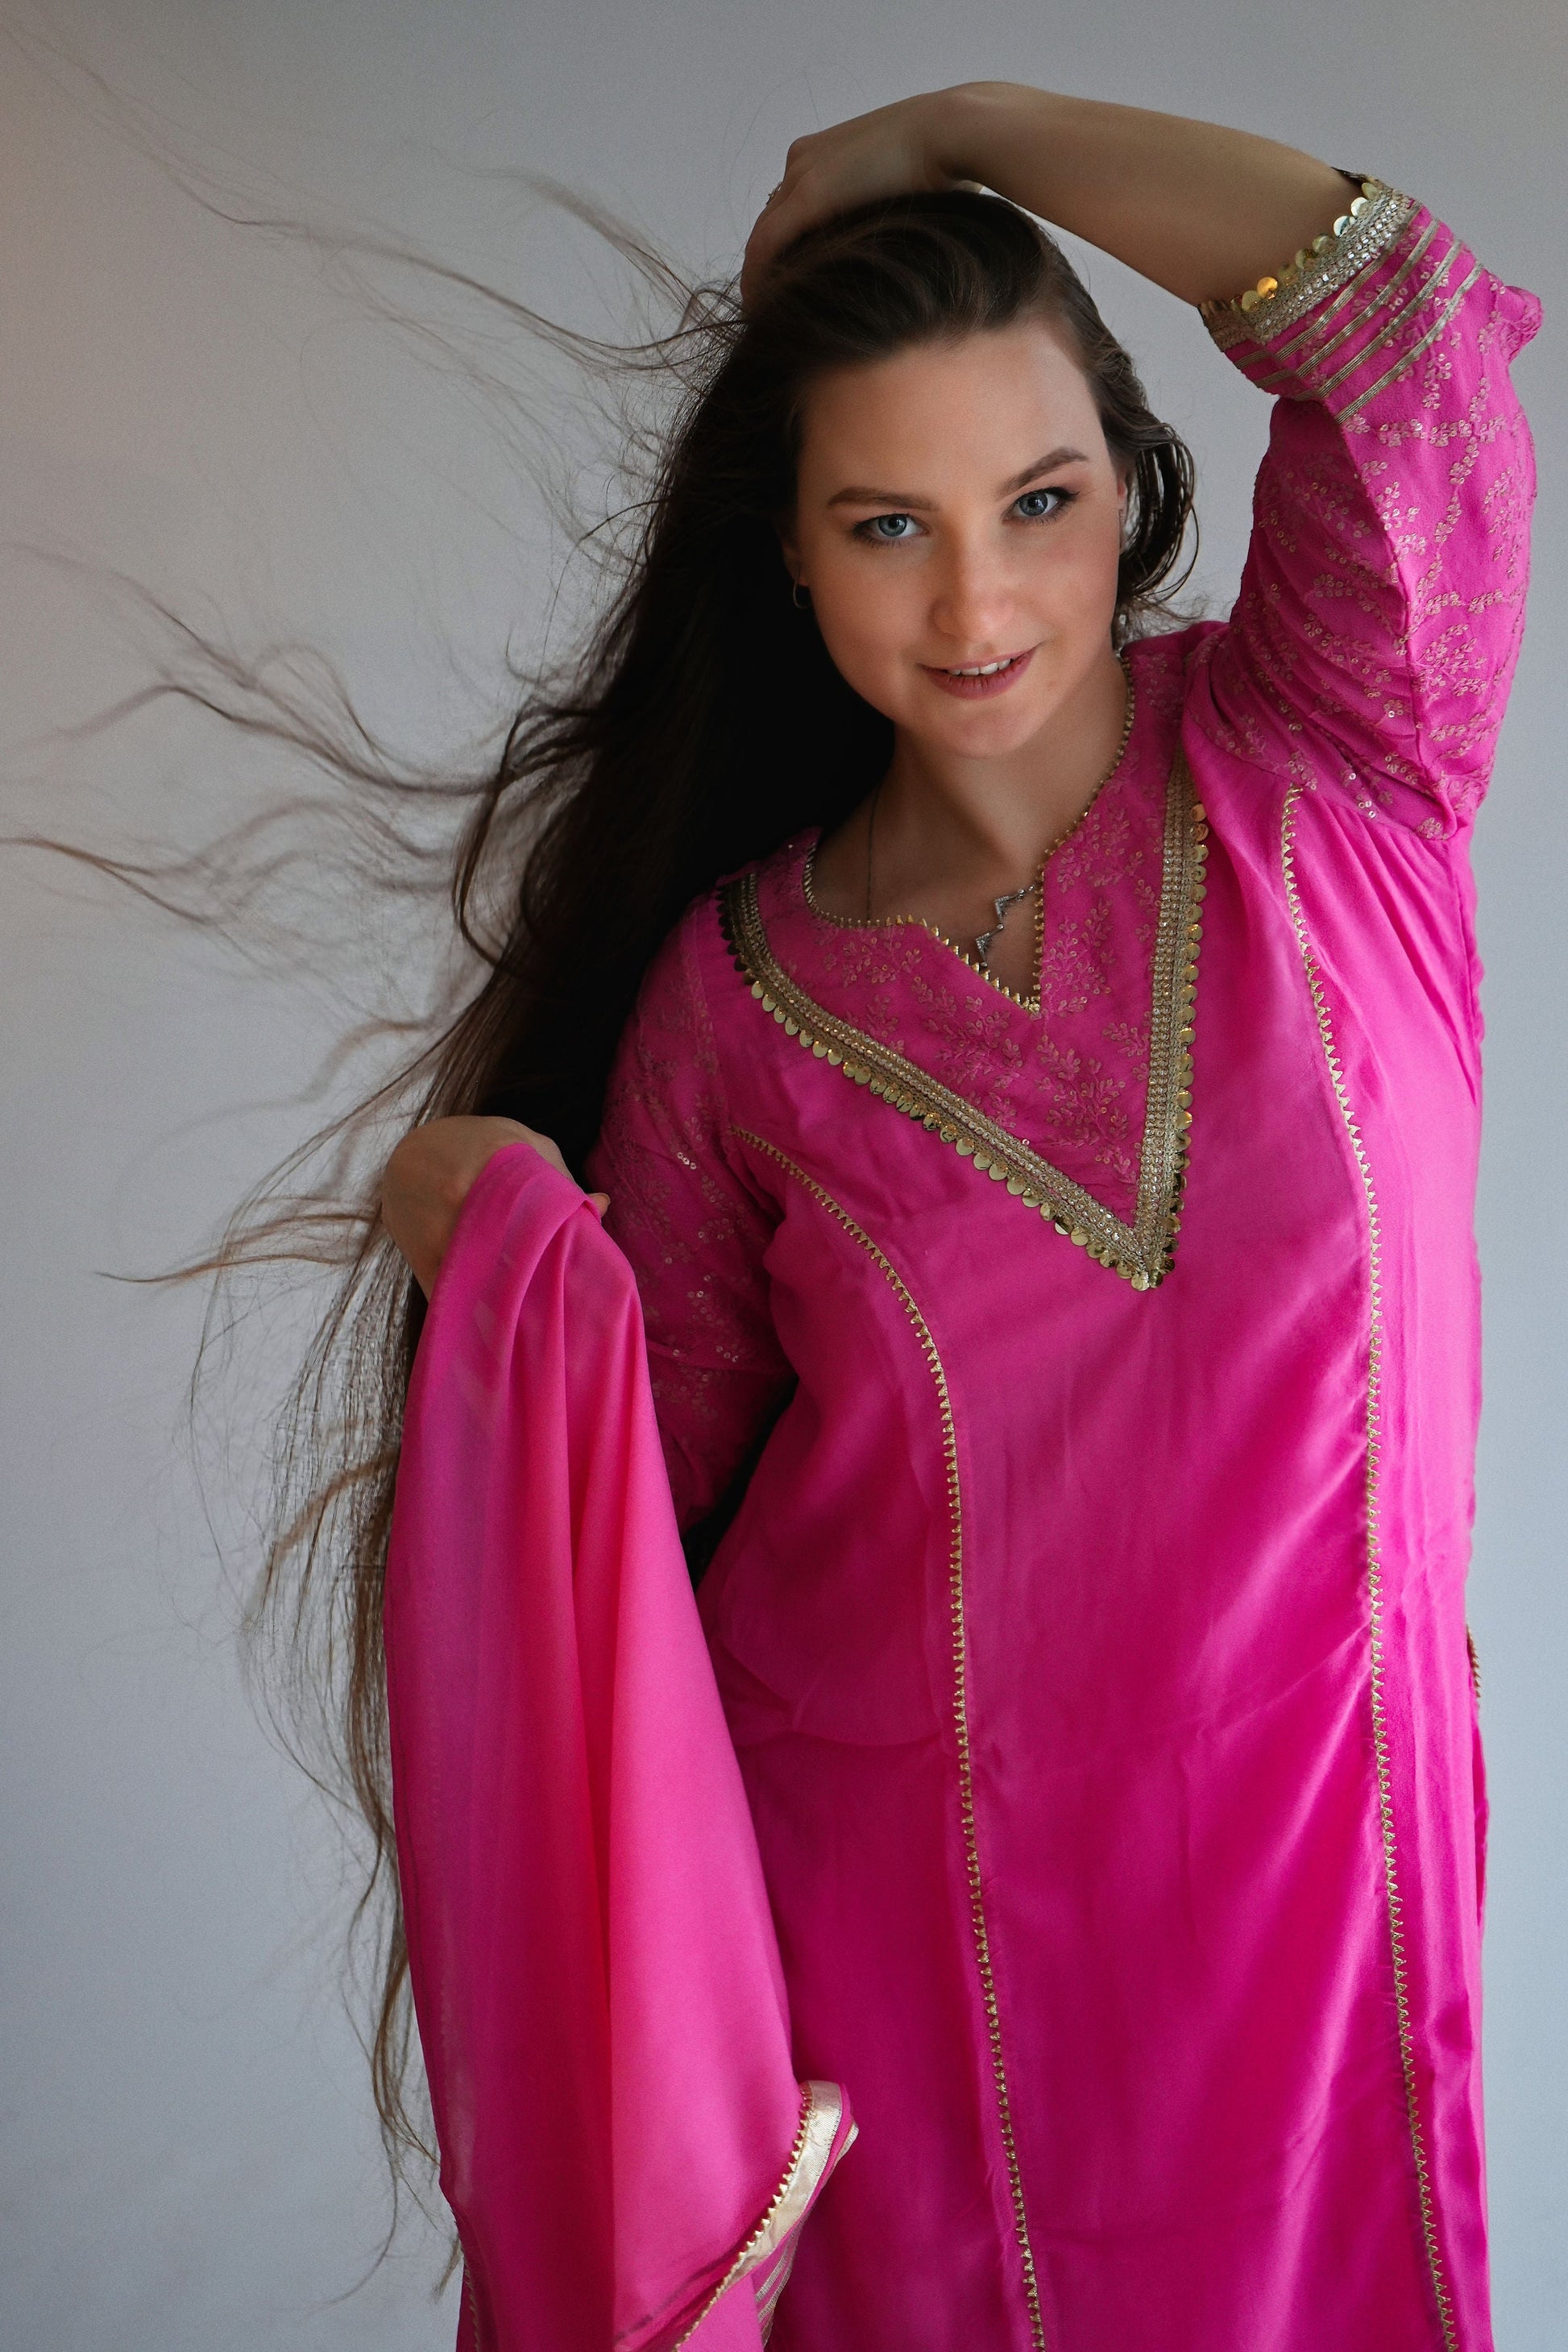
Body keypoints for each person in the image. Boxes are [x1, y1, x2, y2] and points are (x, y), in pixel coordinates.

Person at [377, 83, 1540, 2351]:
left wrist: (967, 130)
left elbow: (1397, 321)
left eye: (1038, 498)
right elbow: (647, 1521)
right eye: (887, 525)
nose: (981, 598)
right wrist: (498, 1245)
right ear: (792, 560)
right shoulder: (736, 1013)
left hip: (1332, 1934)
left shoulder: (1339, 754)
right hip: (914, 1984)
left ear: (1134, 474)